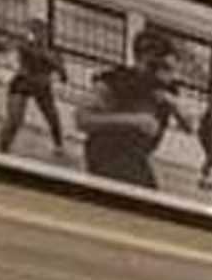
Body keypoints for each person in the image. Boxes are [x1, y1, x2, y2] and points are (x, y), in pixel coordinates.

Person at [77, 27, 180, 189]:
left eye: (173, 70)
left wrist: (175, 107)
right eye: (165, 68)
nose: (172, 77)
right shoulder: (115, 80)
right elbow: (82, 119)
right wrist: (134, 120)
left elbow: (191, 126)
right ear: (145, 60)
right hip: (107, 155)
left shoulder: (165, 88)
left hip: (137, 156)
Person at [0, 22, 67, 158]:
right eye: (34, 31)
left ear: (46, 35)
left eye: (40, 32)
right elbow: (2, 47)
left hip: (41, 86)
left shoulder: (53, 53)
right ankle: (1, 148)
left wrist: (57, 69)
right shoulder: (24, 44)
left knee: (52, 116)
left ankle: (59, 145)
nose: (37, 35)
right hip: (23, 81)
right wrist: (0, 44)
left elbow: (63, 74)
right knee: (14, 119)